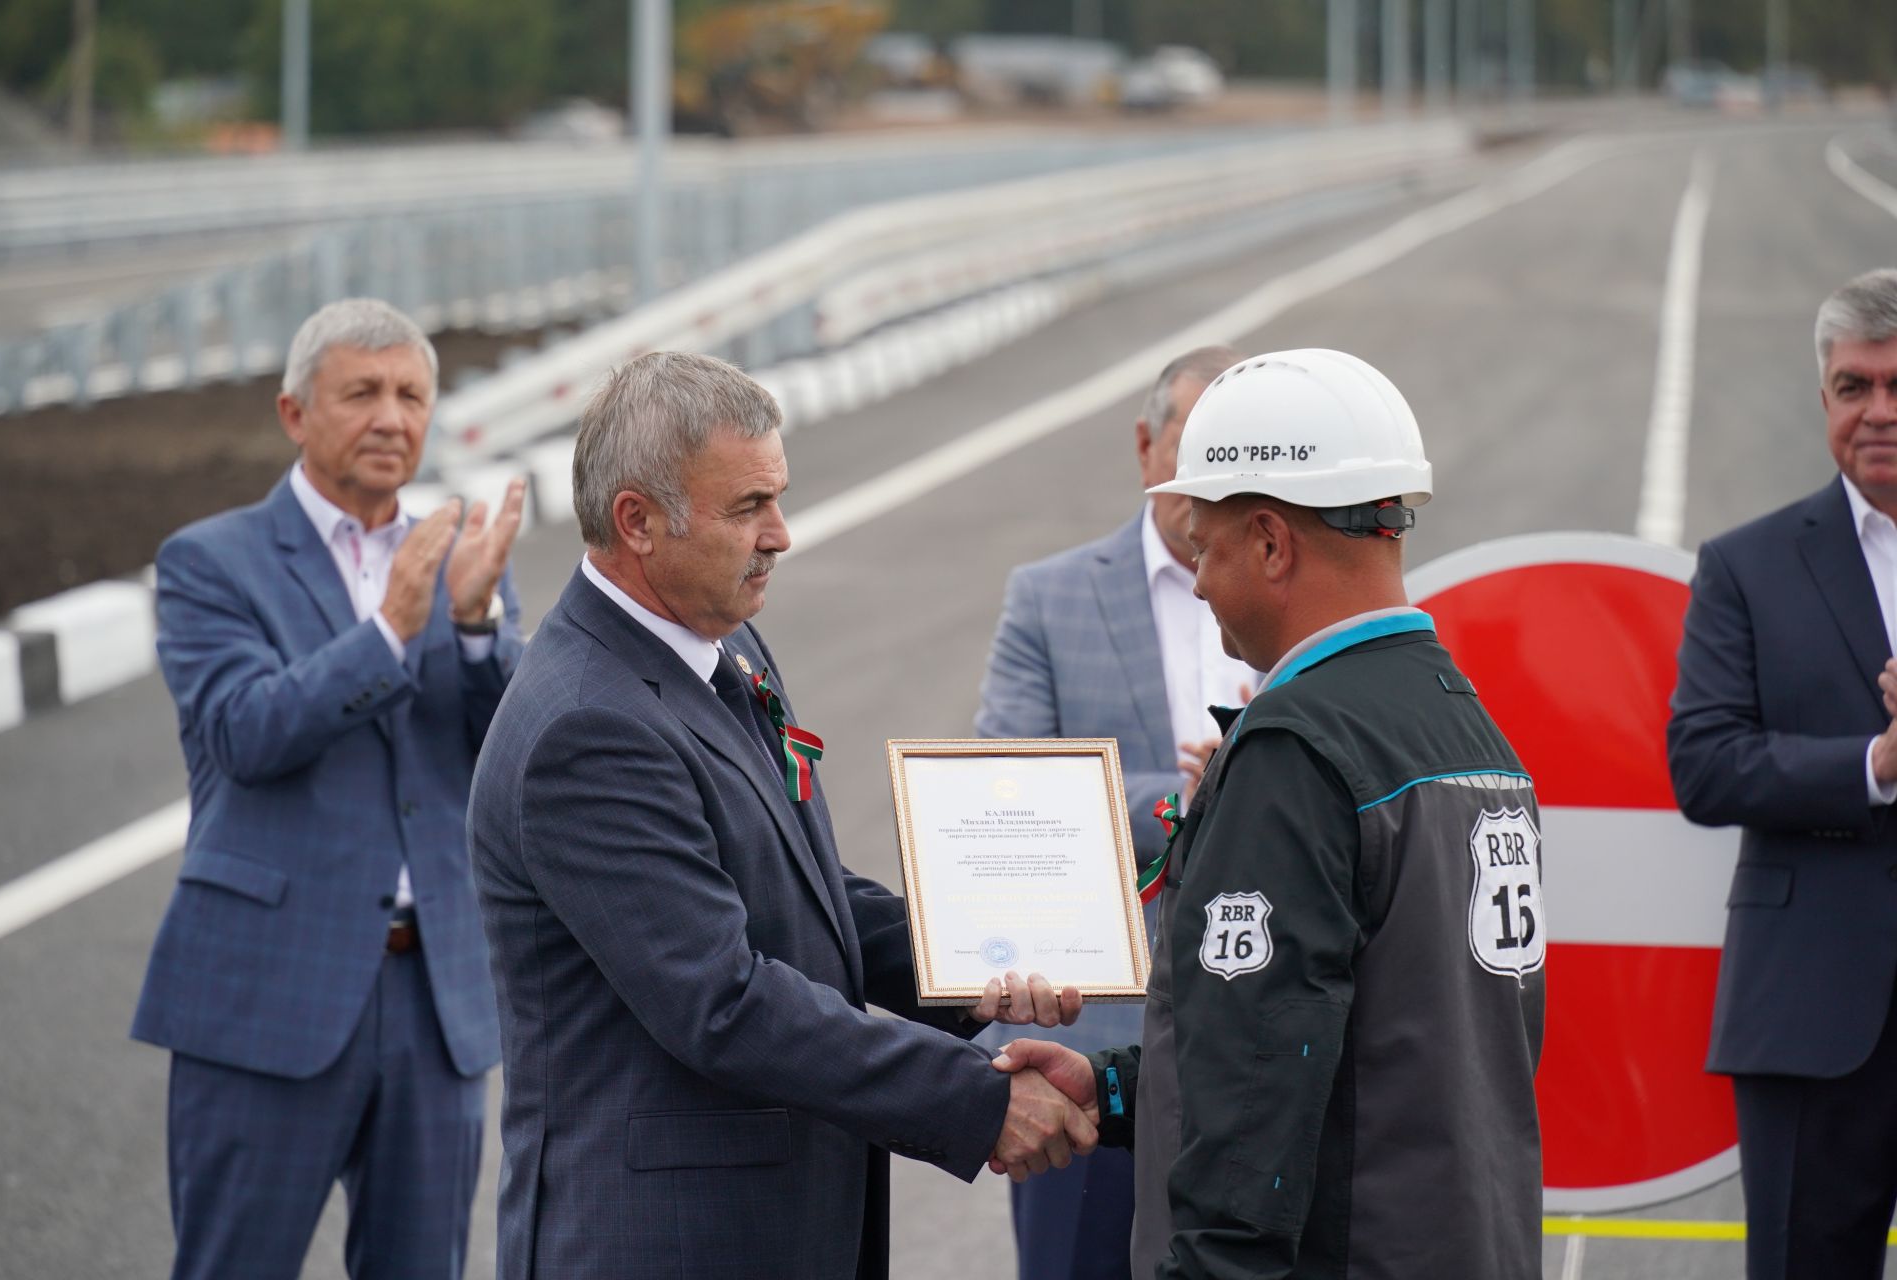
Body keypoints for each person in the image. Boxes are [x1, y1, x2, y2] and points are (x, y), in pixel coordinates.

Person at [467, 350, 1097, 1280]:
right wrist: (976, 1100)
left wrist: (978, 961)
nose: (782, 534)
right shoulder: (587, 727)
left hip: (773, 1225)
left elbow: (804, 888)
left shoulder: (720, 642)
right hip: (666, 1243)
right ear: (637, 521)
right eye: (747, 507)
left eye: (779, 498)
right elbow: (722, 1002)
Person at [994, 349, 1547, 1278]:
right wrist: (1116, 1088)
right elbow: (1369, 1034)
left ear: (1271, 543)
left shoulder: (1294, 751)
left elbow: (1254, 1106)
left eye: (1205, 548)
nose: (1200, 582)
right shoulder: (1466, 727)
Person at [130, 297, 527, 1280]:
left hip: (434, 996)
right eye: (362, 392)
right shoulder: (208, 562)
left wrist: (477, 626)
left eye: (411, 395)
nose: (392, 416)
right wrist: (390, 631)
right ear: (295, 413)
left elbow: (509, 763)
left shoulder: (459, 559)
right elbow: (245, 731)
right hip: (269, 987)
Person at [974, 345, 1255, 1280]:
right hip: (1088, 1045)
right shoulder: (1050, 598)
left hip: (1263, 1042)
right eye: (1197, 445)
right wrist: (1186, 801)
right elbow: (1007, 791)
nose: (1218, 477)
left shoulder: (1297, 596)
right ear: (1146, 447)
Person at [1669, 267, 1897, 1280]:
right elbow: (1704, 763)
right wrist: (1876, 762)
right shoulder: (1747, 565)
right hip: (1812, 1019)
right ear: (1823, 399)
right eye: (1855, 386)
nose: (1879, 412)